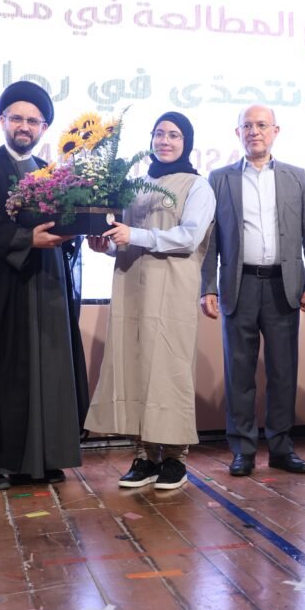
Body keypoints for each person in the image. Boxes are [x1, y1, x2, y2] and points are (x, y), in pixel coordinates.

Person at [0, 81, 89, 491]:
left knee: (46, 369)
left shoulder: (51, 172)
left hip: (42, 287)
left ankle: (40, 459)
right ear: (2, 120)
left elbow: (65, 226)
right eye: (17, 118)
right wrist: (26, 239)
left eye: (33, 121)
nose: (24, 127)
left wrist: (79, 231)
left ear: (44, 127)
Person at [84, 111, 216, 490]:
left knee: (169, 368)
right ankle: (144, 456)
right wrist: (107, 245)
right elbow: (124, 236)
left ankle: (175, 458)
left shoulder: (197, 186)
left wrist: (134, 236)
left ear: (186, 142)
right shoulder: (136, 185)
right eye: (159, 134)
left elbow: (189, 237)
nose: (165, 141)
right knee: (135, 365)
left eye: (174, 135)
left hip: (172, 287)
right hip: (133, 285)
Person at [200, 105, 305, 477]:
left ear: (275, 131)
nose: (254, 131)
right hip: (238, 286)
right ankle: (243, 450)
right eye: (247, 126)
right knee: (239, 372)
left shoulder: (296, 177)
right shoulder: (219, 178)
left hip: (282, 286)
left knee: (283, 371)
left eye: (261, 125)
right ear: (237, 133)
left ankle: (282, 449)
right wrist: (207, 287)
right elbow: (210, 240)